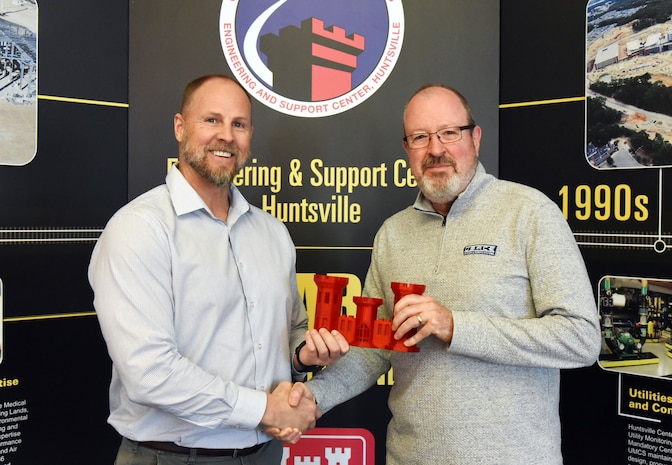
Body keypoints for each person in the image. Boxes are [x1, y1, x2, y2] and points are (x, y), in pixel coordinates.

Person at [276, 84, 602, 464]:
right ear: (407, 150)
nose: (435, 149)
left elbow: (580, 338)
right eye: (420, 137)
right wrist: (316, 399)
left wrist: (454, 327)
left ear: (475, 138)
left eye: (449, 132)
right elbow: (376, 350)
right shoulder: (393, 234)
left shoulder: (529, 213)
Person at [88, 74, 349, 465]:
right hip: (171, 457)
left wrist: (302, 356)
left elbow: (291, 332)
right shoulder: (139, 229)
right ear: (180, 127)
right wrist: (265, 410)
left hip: (264, 452)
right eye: (211, 120)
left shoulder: (273, 233)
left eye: (238, 124)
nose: (226, 136)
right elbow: (150, 373)